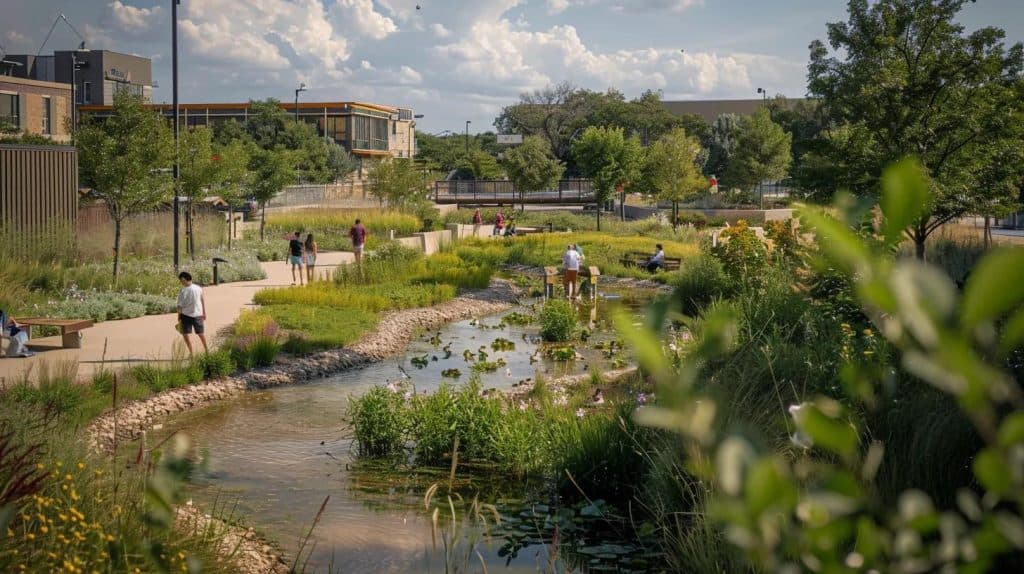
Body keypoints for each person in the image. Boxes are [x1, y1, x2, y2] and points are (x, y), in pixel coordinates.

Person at [176, 271, 208, 356]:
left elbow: (179, 306)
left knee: (185, 335)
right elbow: (202, 300)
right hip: (198, 314)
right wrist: (204, 312)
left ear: (184, 279)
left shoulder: (183, 291)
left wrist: (178, 317)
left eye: (181, 280)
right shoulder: (198, 288)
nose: (181, 282)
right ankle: (207, 350)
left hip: (185, 315)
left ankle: (191, 353)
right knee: (201, 334)